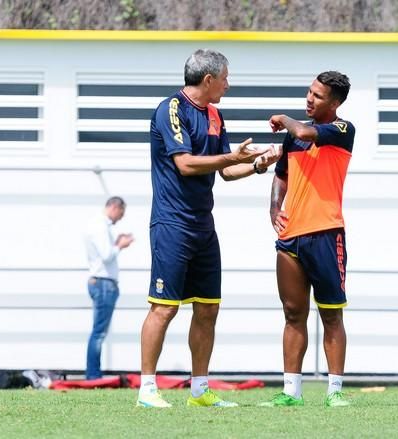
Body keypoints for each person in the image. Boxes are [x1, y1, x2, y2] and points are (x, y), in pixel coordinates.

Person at [136, 49, 280, 408]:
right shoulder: (171, 109)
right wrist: (232, 158)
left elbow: (227, 171)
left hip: (203, 227)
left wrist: (258, 165)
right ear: (208, 79)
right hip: (171, 225)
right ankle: (147, 390)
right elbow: (185, 164)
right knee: (164, 308)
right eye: (226, 78)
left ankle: (199, 391)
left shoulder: (214, 114)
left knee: (208, 308)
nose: (229, 85)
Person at [260, 71, 355, 407]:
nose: (309, 99)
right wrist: (274, 207)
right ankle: (291, 392)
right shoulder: (294, 138)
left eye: (317, 95)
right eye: (309, 92)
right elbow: (281, 175)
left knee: (331, 315)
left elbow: (301, 129)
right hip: (291, 239)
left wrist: (283, 118)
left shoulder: (342, 130)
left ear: (335, 102)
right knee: (292, 313)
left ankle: (335, 392)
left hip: (327, 234)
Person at [83, 196, 134, 380]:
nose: (119, 218)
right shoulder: (99, 225)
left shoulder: (98, 225)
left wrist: (116, 243)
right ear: (114, 207)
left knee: (98, 331)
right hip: (104, 284)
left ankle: (93, 374)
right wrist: (120, 245)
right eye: (120, 214)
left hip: (102, 283)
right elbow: (106, 255)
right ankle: (93, 375)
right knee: (99, 333)